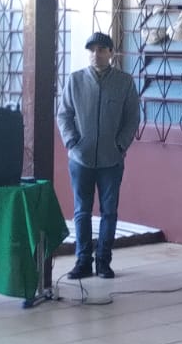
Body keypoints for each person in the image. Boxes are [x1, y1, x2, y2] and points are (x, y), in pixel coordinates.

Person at [56, 32, 141, 281]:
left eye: (102, 50)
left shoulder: (124, 82)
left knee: (109, 211)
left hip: (111, 160)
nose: (96, 54)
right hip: (80, 159)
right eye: (92, 50)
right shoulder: (75, 80)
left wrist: (120, 145)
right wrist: (72, 142)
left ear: (111, 53)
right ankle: (83, 261)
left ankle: (104, 261)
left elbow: (132, 118)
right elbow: (63, 114)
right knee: (81, 211)